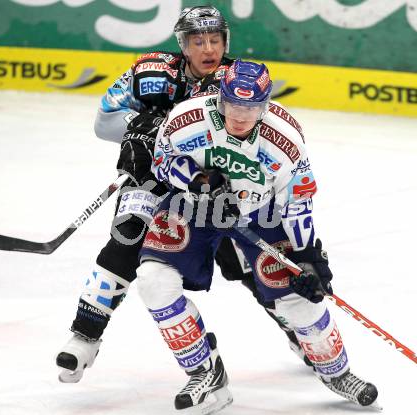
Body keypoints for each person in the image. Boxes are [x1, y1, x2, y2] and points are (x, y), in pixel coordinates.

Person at [56, 6, 308, 383]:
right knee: (125, 238)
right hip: (158, 178)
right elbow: (104, 122)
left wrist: (154, 129)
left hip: (218, 189)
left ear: (226, 42)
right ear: (183, 45)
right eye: (197, 40)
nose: (208, 48)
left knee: (249, 263)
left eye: (215, 40)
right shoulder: (151, 71)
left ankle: (297, 330)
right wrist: (136, 131)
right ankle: (85, 335)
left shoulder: (237, 82)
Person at [136, 60, 379, 413]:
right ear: (220, 98)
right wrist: (199, 181)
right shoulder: (187, 118)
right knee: (153, 280)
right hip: (196, 205)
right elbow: (162, 161)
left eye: (250, 108)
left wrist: (307, 256)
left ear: (264, 106)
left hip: (261, 213)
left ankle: (336, 371)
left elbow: (297, 202)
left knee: (300, 299)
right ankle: (205, 372)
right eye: (233, 105)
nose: (239, 116)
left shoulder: (286, 140)